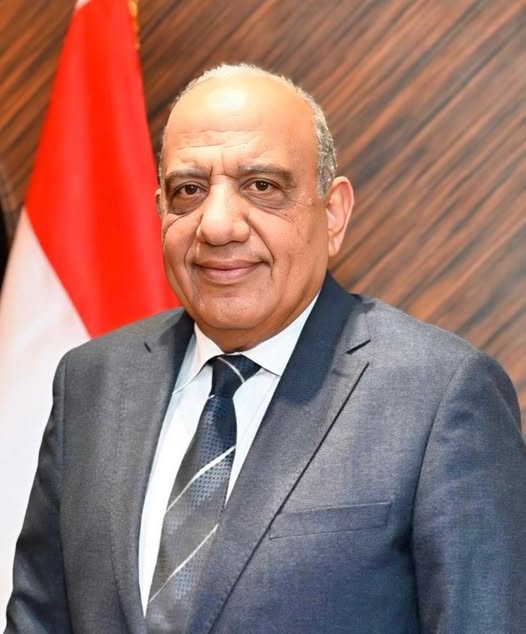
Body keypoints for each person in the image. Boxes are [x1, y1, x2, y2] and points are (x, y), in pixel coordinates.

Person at [5, 63, 526, 633]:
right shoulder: (92, 381)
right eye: (189, 191)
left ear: (333, 213)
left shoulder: (440, 396)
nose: (218, 225)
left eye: (262, 186)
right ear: (160, 212)